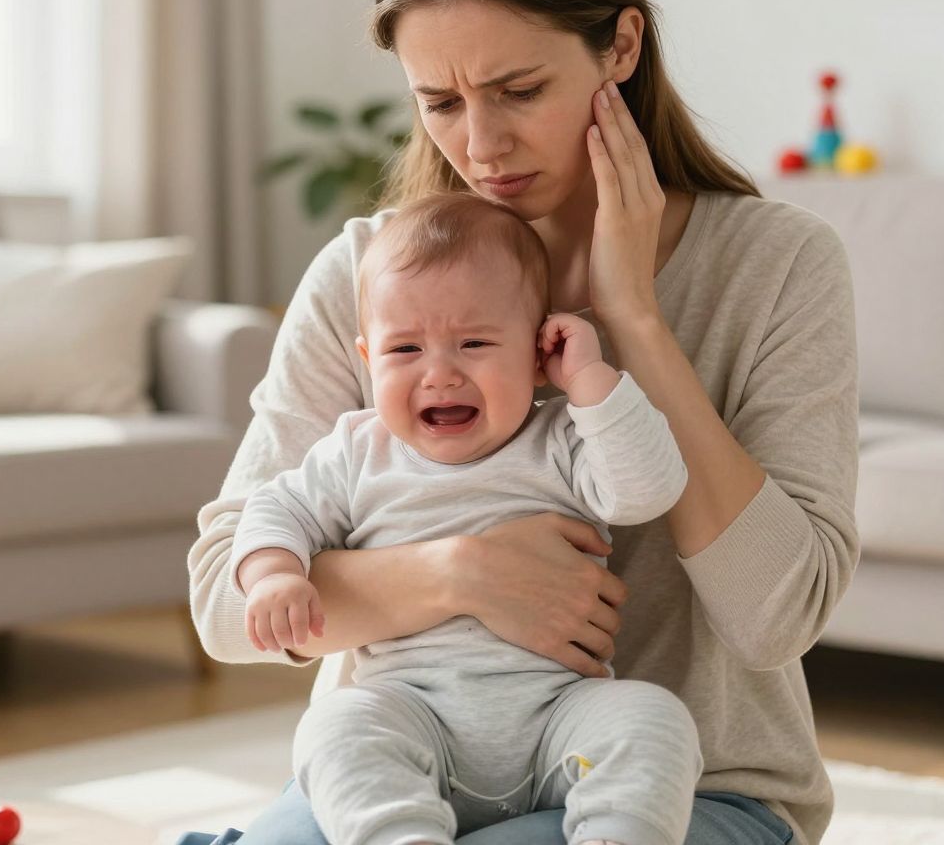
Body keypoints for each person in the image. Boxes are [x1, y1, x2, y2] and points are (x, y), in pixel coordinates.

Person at [185, 0, 858, 845]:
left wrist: (635, 321)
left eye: (519, 88)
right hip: (407, 772)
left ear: (620, 44)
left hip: (693, 783)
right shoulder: (366, 278)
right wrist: (462, 571)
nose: (483, 143)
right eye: (441, 102)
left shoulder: (778, 266)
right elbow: (220, 599)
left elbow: (777, 617)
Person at [233, 192, 695, 845]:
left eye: (474, 343)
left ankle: (617, 835)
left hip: (558, 719)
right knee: (335, 729)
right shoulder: (355, 452)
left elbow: (650, 489)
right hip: (413, 717)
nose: (440, 375)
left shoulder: (562, 438)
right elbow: (273, 508)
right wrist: (274, 574)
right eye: (404, 351)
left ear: (538, 354)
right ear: (367, 361)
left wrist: (589, 378)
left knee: (651, 718)